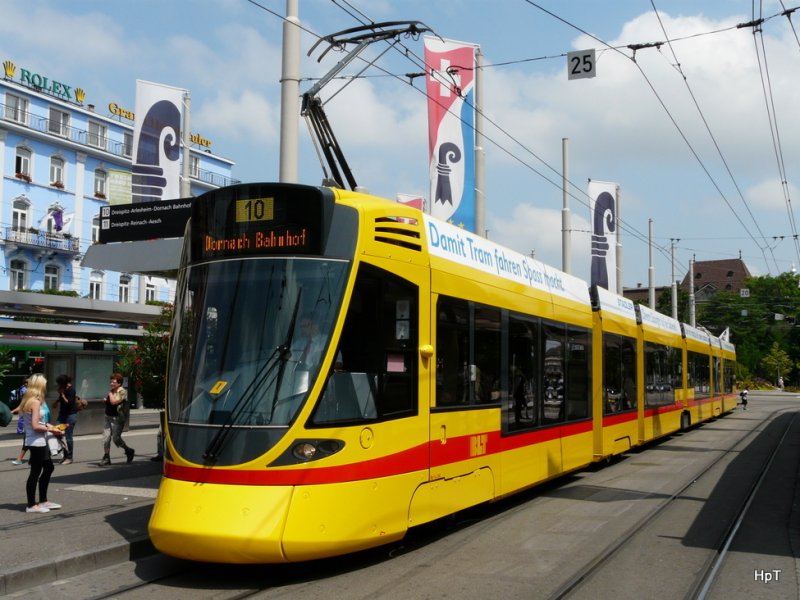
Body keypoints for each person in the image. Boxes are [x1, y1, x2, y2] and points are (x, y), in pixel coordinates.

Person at [19, 373, 63, 513]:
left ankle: (43, 501)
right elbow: (35, 426)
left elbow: (38, 421)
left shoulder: (31, 400)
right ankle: (31, 505)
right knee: (35, 472)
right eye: (44, 384)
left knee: (48, 468)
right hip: (36, 441)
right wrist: (53, 429)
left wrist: (51, 427)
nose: (46, 386)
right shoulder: (35, 401)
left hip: (37, 440)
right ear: (39, 385)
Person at [101, 372, 135, 465]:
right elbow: (109, 402)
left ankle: (128, 450)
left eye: (113, 382)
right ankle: (106, 457)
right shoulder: (112, 391)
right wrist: (106, 401)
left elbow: (114, 402)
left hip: (117, 418)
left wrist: (110, 394)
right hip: (108, 416)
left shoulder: (122, 391)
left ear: (119, 383)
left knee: (116, 438)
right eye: (110, 382)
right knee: (106, 438)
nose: (111, 384)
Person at [55, 374, 78, 464]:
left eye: (59, 384)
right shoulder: (63, 389)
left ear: (64, 383)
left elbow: (69, 403)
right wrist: (56, 401)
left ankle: (69, 457)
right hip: (62, 414)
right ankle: (64, 454)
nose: (58, 385)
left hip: (70, 415)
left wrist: (62, 394)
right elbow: (61, 400)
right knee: (56, 431)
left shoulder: (71, 390)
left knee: (68, 436)